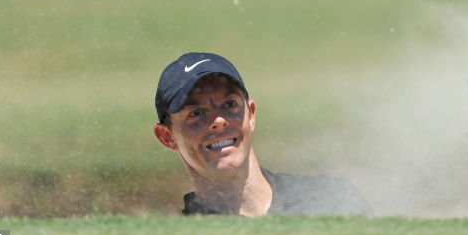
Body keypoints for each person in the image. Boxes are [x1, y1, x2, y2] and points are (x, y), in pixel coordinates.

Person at [153, 51, 370, 216]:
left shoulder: (330, 199)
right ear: (167, 137)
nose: (218, 121)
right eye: (196, 113)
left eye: (229, 104)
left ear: (251, 114)